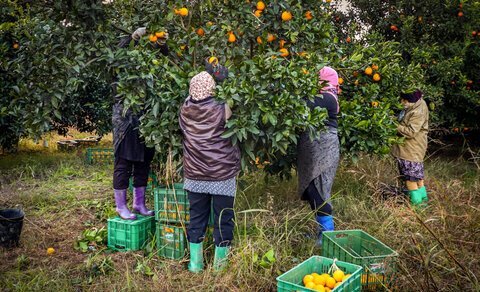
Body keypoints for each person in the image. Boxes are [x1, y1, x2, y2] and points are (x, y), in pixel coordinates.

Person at [179, 68, 239, 273]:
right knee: (223, 218)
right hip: (221, 174)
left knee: (196, 218)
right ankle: (219, 266)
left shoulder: (185, 109)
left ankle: (195, 264)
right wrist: (222, 78)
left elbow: (192, 96)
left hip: (194, 175)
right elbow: (232, 98)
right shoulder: (223, 107)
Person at [112, 27, 169, 220]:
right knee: (124, 163)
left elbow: (167, 60)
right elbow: (118, 54)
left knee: (144, 161)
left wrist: (162, 44)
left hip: (148, 120)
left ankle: (139, 203)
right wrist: (131, 37)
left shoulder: (150, 68)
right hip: (127, 120)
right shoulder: (124, 69)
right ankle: (121, 206)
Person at [297, 66, 340, 244]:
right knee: (312, 188)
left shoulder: (328, 97)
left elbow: (302, 105)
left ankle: (327, 235)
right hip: (314, 149)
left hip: (324, 149)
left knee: (319, 190)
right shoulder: (324, 95)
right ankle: (322, 231)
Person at [391, 90, 429, 206]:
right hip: (414, 149)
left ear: (411, 100)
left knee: (410, 178)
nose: (402, 102)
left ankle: (417, 206)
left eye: (405, 100)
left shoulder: (417, 112)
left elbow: (411, 132)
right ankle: (423, 202)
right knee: (417, 177)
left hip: (411, 150)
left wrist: (393, 124)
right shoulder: (418, 103)